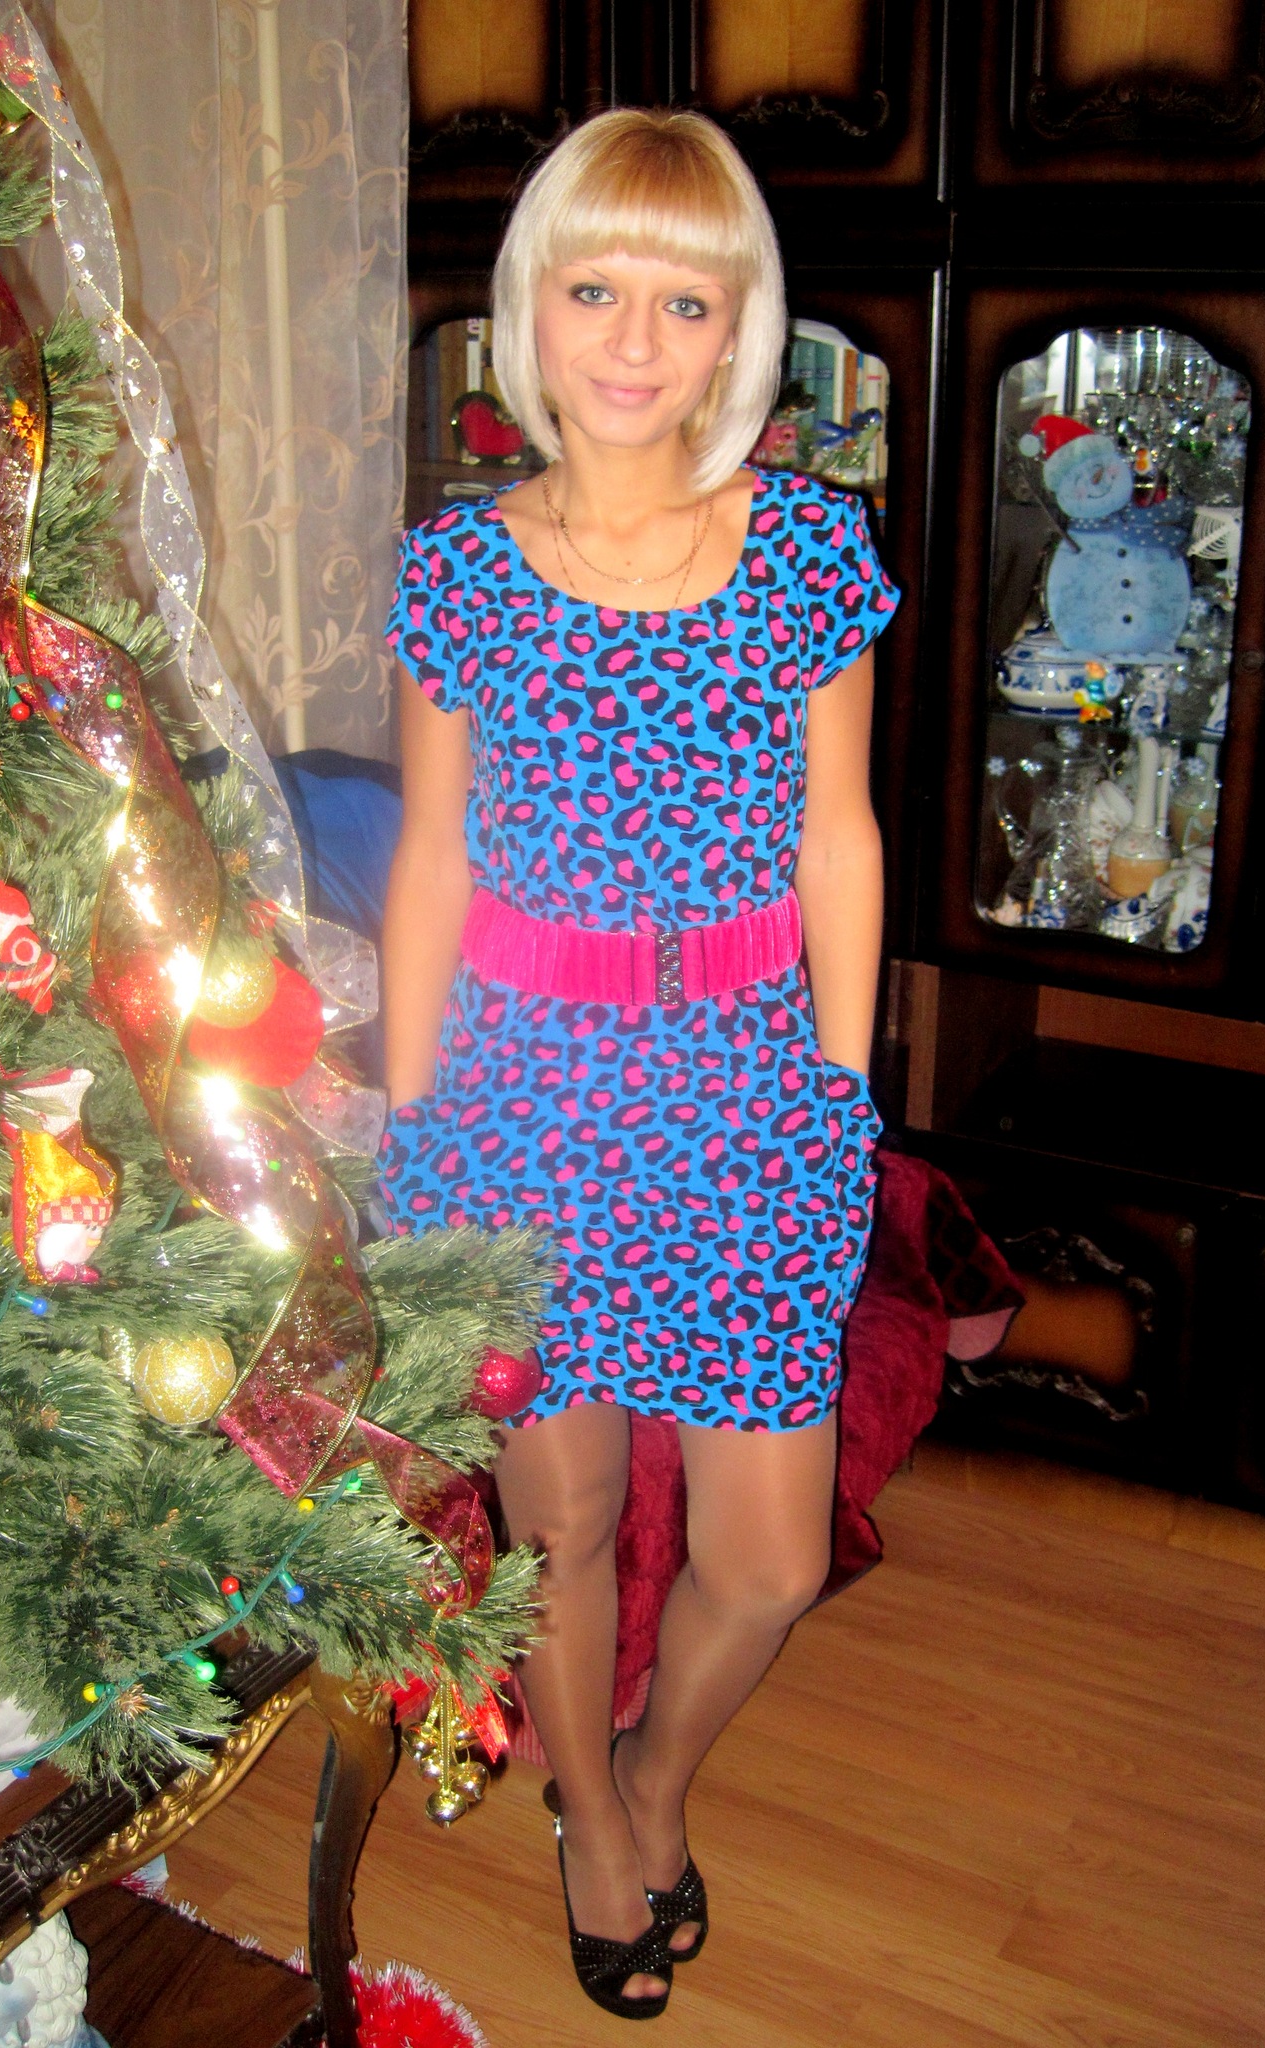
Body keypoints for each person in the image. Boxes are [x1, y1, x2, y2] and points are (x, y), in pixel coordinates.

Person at [380, 107, 898, 2020]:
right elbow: (433, 856)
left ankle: (659, 1770)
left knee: (764, 1563)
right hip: (520, 1108)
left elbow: (838, 836)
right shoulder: (461, 571)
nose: (633, 340)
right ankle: (592, 1813)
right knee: (568, 1526)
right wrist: (409, 1116)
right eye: (595, 289)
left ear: (740, 325)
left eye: (685, 302)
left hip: (750, 1097)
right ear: (531, 304)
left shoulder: (810, 550)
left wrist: (842, 1088)